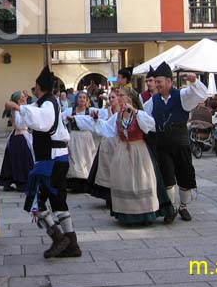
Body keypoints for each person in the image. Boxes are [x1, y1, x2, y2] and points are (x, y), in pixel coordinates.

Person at [5, 66, 80, 259]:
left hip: (52, 159)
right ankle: (72, 244)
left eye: (35, 87)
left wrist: (18, 107)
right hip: (54, 157)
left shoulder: (48, 103)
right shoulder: (47, 102)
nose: (33, 90)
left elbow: (43, 122)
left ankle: (59, 238)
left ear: (40, 87)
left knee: (36, 201)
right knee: (57, 200)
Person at [73, 88, 174, 226]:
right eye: (118, 95)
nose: (119, 98)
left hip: (139, 151)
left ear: (130, 98)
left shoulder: (139, 114)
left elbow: (150, 125)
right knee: (125, 181)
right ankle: (127, 214)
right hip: (122, 151)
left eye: (121, 95)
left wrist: (135, 111)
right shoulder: (118, 116)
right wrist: (96, 120)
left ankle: (145, 213)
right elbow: (107, 129)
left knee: (141, 180)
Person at [143, 62, 208, 223]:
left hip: (181, 142)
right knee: (167, 177)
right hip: (163, 144)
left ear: (169, 81)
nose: (156, 85)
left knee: (185, 176)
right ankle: (170, 208)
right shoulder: (153, 101)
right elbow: (144, 118)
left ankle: (184, 207)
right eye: (155, 82)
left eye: (159, 82)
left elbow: (201, 95)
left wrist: (194, 81)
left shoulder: (183, 95)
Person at [61, 90, 98, 193]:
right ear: (76, 99)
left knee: (87, 158)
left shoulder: (90, 111)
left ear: (86, 100)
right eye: (80, 97)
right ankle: (75, 183)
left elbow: (99, 119)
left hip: (86, 136)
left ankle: (88, 181)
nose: (82, 99)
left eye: (84, 98)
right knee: (75, 159)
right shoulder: (70, 110)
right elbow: (61, 119)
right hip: (74, 136)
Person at [0, 91, 34, 192]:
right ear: (18, 100)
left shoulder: (21, 108)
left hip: (21, 136)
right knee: (22, 160)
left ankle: (9, 181)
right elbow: (19, 124)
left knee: (12, 159)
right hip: (20, 136)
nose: (25, 98)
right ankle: (21, 182)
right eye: (22, 97)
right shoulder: (16, 109)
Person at [86, 90, 117, 205]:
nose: (111, 100)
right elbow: (100, 123)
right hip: (107, 143)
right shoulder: (106, 111)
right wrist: (96, 119)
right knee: (106, 168)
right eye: (109, 98)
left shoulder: (122, 112)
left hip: (118, 144)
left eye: (113, 97)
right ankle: (108, 195)